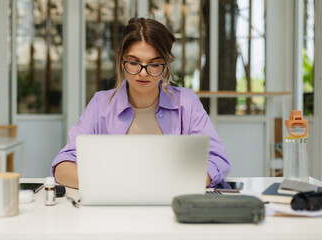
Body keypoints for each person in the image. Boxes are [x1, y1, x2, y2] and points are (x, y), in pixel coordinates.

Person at [51, 17, 231, 189]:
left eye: (154, 64)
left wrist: (175, 184)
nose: (143, 73)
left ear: (166, 64)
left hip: (170, 206)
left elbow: (217, 160)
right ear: (121, 58)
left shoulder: (186, 102)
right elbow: (63, 164)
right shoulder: (101, 104)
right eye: (134, 62)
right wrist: (102, 184)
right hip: (115, 206)